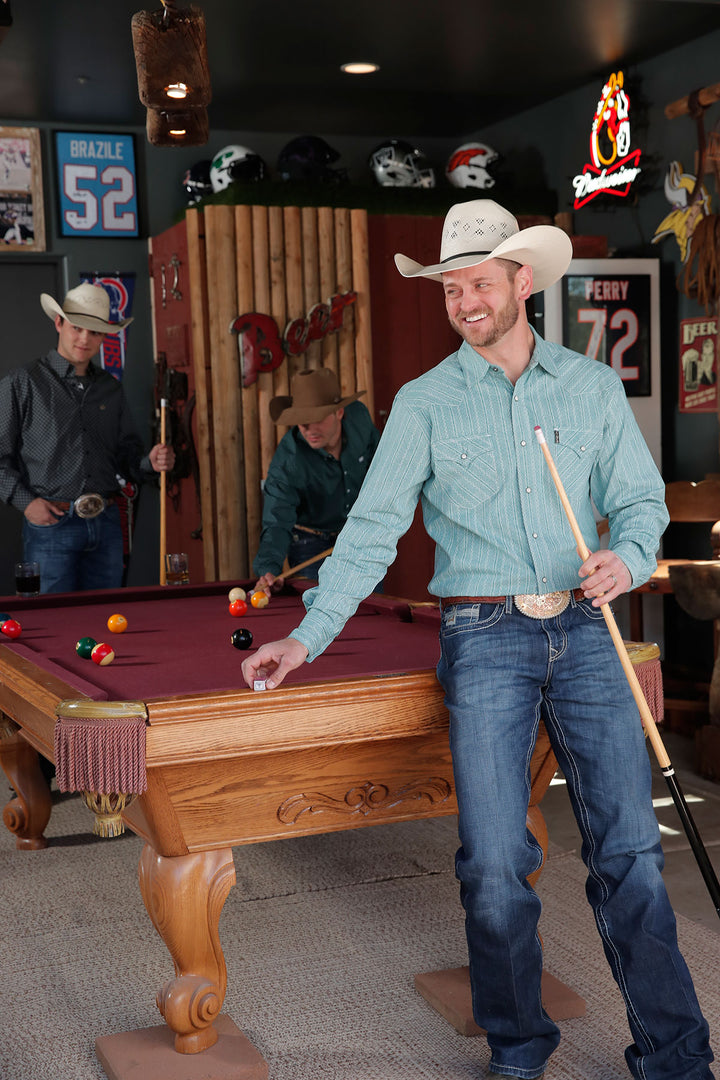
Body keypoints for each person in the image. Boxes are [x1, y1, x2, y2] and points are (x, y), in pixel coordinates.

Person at [242, 199, 715, 1080]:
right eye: (451, 286)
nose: (463, 300)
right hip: (484, 631)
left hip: (586, 622)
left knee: (631, 855)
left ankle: (678, 1057)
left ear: (521, 282)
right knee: (495, 863)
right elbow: (373, 531)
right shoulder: (422, 404)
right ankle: (518, 1049)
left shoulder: (590, 387)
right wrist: (306, 639)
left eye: (479, 283)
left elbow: (642, 502)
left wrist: (630, 555)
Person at [0, 282, 174, 593]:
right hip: (51, 526)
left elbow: (127, 456)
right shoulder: (22, 383)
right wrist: (27, 504)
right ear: (59, 322)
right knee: (50, 622)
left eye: (95, 332)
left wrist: (150, 462)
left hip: (106, 524)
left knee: (106, 621)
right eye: (78, 328)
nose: (85, 339)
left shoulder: (110, 388)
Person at [252, 367, 380, 594]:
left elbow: (382, 465)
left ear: (339, 413)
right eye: (300, 420)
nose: (307, 428)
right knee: (321, 615)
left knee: (370, 612)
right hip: (310, 544)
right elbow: (276, 520)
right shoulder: (289, 460)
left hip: (358, 538)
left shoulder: (359, 419)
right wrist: (269, 568)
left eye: (315, 419)